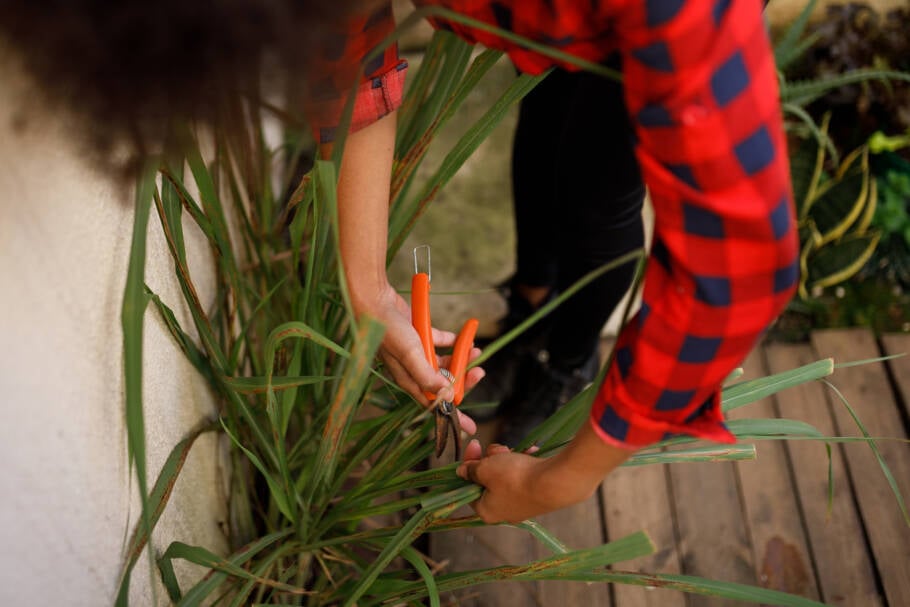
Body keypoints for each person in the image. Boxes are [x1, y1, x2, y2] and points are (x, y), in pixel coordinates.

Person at [314, 0, 800, 524]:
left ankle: (567, 361)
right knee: (545, 127)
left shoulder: (681, 14)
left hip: (653, 20)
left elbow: (736, 274)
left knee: (597, 186)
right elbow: (350, 38)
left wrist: (561, 482)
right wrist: (368, 289)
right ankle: (531, 311)